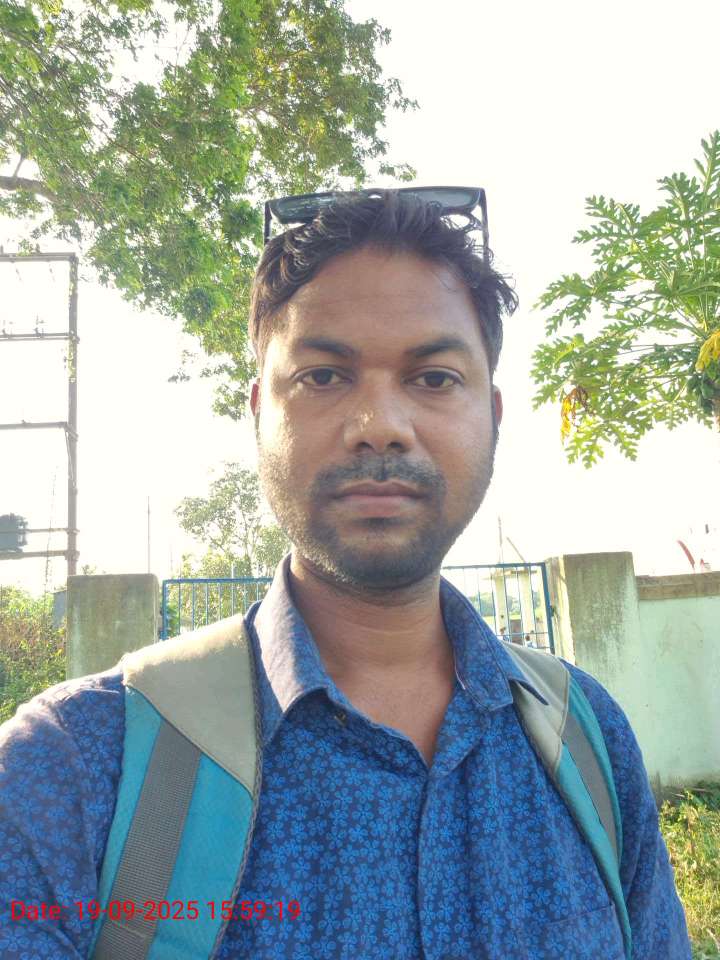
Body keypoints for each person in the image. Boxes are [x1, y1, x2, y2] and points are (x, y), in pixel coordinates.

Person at [0, 189, 691, 959]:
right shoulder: (71, 769)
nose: (380, 427)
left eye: (434, 378)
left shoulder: (588, 741)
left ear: (493, 415)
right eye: (324, 376)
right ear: (259, 411)